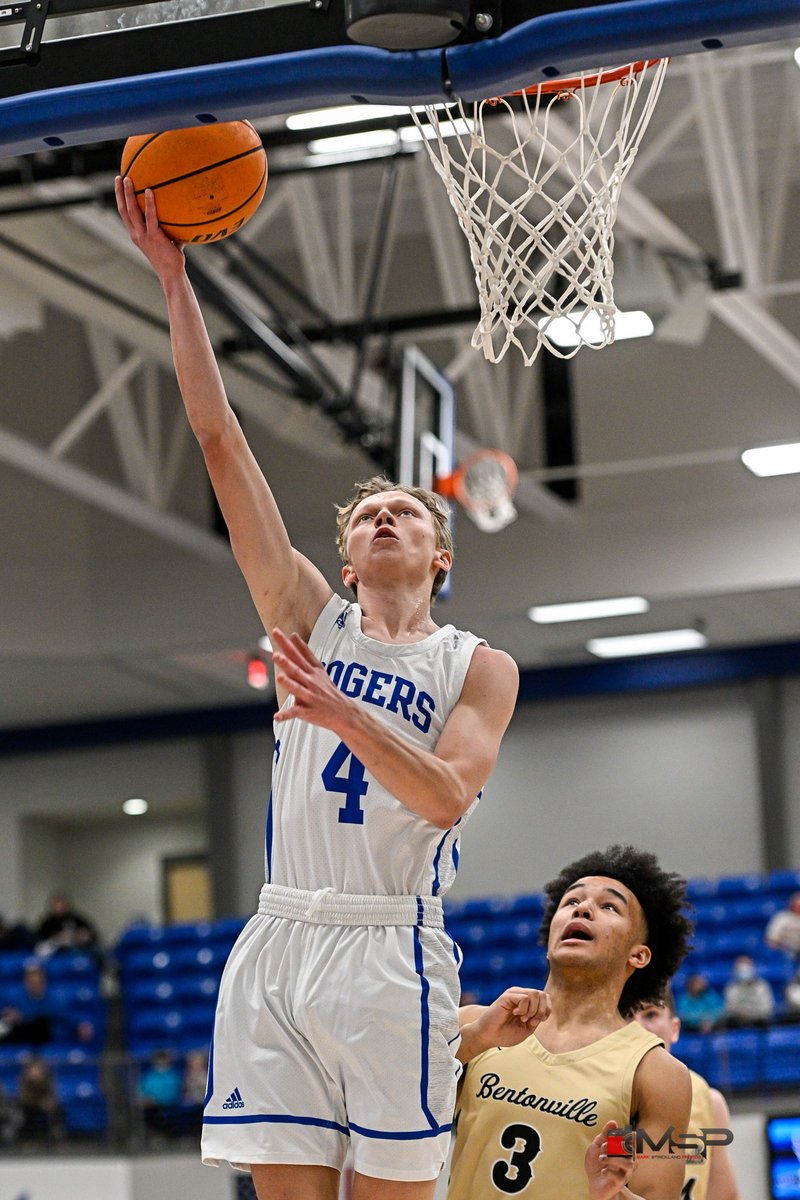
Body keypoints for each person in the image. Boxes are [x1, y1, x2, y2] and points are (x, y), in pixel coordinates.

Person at [116, 176, 520, 1200]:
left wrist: (341, 714)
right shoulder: (306, 616)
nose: (383, 518)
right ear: (342, 560)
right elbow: (218, 443)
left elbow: (444, 797)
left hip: (394, 953)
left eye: (405, 513)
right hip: (282, 938)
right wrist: (174, 278)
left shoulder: (475, 664)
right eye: (366, 515)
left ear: (439, 558)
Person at [450, 844, 694, 1200]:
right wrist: (472, 1040)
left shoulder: (657, 1073)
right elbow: (388, 1116)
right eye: (571, 902)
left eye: (609, 906)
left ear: (638, 955)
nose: (582, 908)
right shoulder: (475, 1024)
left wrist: (612, 1194)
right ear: (550, 937)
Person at [631, 988, 741, 1200]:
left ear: (674, 1028)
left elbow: (724, 1196)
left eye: (651, 1014)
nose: (637, 1027)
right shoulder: (591, 1100)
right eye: (626, 1015)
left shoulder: (709, 1100)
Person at [0, 961, 94, 1047]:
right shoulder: (15, 998)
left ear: (44, 982)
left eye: (38, 982)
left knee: (43, 1023)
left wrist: (81, 1024)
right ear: (26, 983)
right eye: (32, 982)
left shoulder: (53, 1001)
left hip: (47, 1040)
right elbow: (6, 1012)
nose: (35, 985)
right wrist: (8, 1014)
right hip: (21, 1039)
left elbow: (68, 1015)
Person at [15, 1055, 65, 1148]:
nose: (35, 1071)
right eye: (33, 1069)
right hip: (29, 1105)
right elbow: (23, 1097)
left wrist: (50, 1101)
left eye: (37, 1069)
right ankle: (28, 1139)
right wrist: (39, 1103)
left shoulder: (48, 1079)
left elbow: (53, 1093)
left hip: (45, 1104)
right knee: (23, 1111)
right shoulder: (23, 1080)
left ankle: (57, 1139)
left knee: (57, 1109)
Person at [34, 892, 100, 959]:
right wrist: (56, 938)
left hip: (77, 947)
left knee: (95, 950)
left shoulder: (76, 919)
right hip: (55, 950)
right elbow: (39, 938)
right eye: (57, 906)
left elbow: (91, 932)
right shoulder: (47, 922)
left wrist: (84, 935)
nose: (59, 908)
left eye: (62, 905)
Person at [139, 1049, 184, 1140]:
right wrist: (145, 1099)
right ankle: (154, 1136)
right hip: (150, 1106)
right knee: (147, 1112)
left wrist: (156, 1100)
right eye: (158, 1059)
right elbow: (141, 1091)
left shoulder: (174, 1076)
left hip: (171, 1105)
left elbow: (175, 1093)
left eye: (163, 1059)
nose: (161, 1062)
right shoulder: (148, 1076)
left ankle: (167, 1135)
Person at [722, 955, 774, 1028]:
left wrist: (751, 1014)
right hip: (739, 1023)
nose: (744, 972)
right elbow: (731, 1009)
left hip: (759, 1022)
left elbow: (767, 1008)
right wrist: (744, 1014)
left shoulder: (762, 986)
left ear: (753, 969)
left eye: (746, 969)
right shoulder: (731, 988)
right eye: (740, 970)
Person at [765, 892, 800, 960]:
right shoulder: (781, 918)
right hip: (785, 952)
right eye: (797, 905)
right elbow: (771, 940)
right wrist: (784, 948)